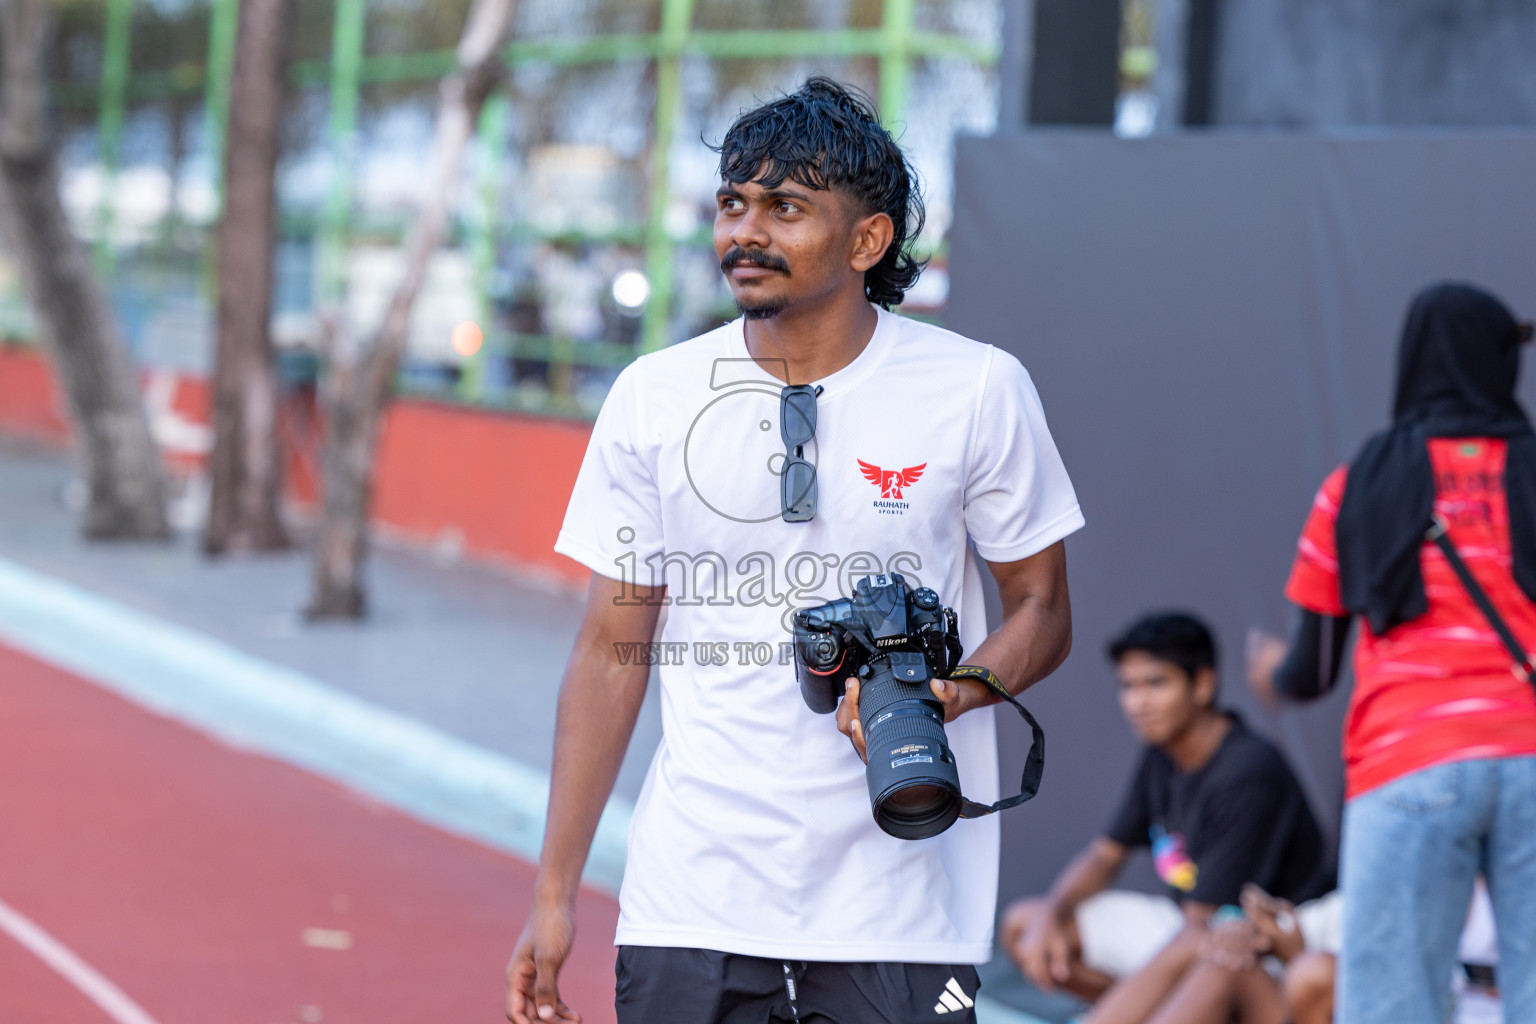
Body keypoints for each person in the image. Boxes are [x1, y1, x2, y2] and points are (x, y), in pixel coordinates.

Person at [504, 78, 1084, 1024]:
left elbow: (1045, 608)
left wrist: (954, 692)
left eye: (785, 207)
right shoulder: (653, 397)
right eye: (733, 202)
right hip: (691, 894)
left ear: (867, 240)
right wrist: (555, 891)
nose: (745, 231)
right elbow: (610, 652)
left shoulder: (976, 388)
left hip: (900, 905)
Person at [1249, 282, 1536, 1024]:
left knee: (1390, 1008)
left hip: (1411, 763)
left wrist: (1271, 674)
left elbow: (1312, 673)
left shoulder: (1358, 485)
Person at [1003, 613, 1330, 1002]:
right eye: (1127, 686)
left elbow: (1203, 924)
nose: (1138, 702)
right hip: (1190, 925)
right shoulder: (1162, 753)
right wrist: (1051, 914)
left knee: (1201, 944)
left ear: (1203, 683)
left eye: (1156, 683)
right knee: (1026, 923)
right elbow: (1106, 854)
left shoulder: (1249, 769)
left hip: (1270, 946)